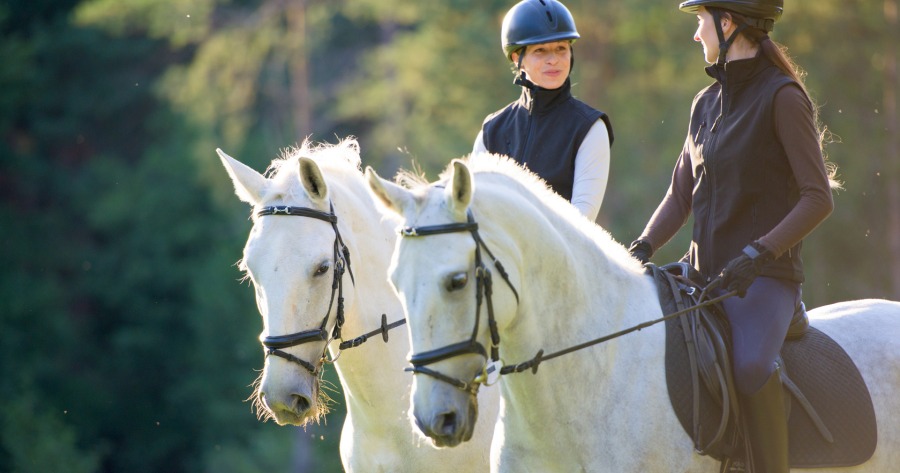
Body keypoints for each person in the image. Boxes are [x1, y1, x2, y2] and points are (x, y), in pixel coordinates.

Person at [627, 1, 838, 471]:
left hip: (765, 278)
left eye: (700, 22)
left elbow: (817, 198)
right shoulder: (704, 105)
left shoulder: (783, 97)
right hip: (702, 275)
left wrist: (759, 253)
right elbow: (680, 196)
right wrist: (641, 247)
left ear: (727, 24)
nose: (695, 35)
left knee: (750, 369)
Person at [473, 0, 614, 222]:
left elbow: (580, 223)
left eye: (561, 48)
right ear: (516, 58)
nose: (554, 60)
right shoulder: (492, 131)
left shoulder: (590, 127)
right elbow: (476, 210)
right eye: (540, 50)